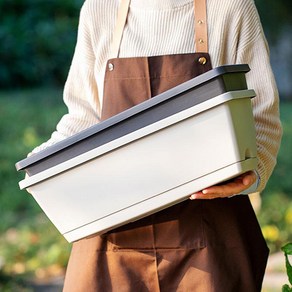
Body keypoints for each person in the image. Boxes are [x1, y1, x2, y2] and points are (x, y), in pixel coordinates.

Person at [30, 0, 282, 290]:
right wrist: (39, 165)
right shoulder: (100, 9)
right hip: (111, 241)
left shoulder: (230, 7)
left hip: (210, 237)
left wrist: (251, 175)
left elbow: (260, 117)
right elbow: (84, 117)